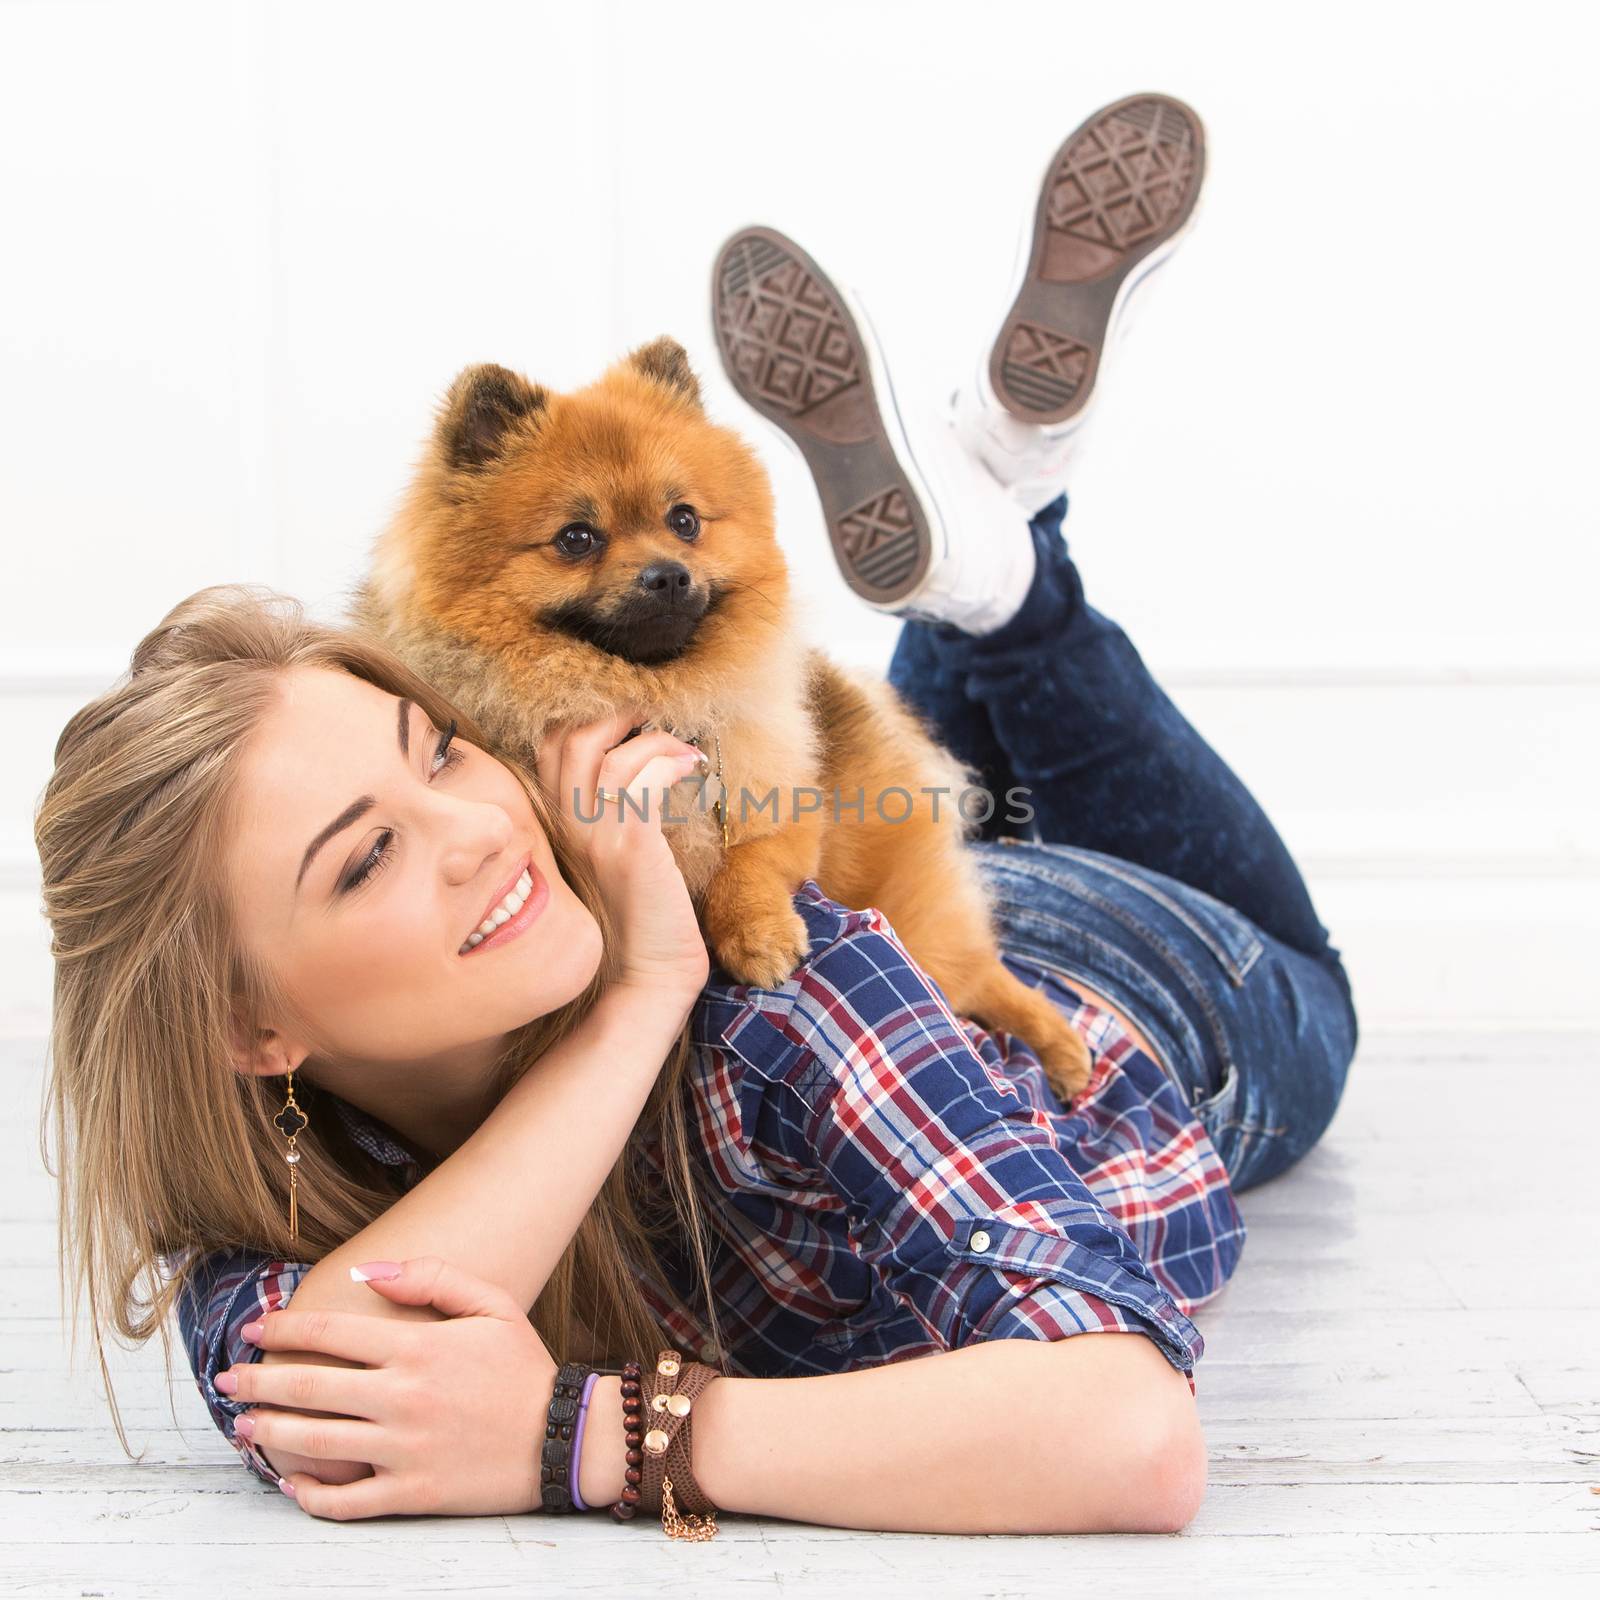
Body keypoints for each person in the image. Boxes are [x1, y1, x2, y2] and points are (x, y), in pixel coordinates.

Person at [33, 93, 1356, 1537]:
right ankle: (990, 530)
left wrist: (590, 1433)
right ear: (250, 1034)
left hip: (1131, 990)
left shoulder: (782, 989)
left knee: (1317, 991)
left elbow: (1126, 1436)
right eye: (365, 860)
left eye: (444, 752)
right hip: (871, 895)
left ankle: (1007, 575)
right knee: (868, 736)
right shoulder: (293, 1197)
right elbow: (330, 1399)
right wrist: (626, 1011)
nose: (478, 826)